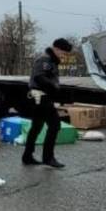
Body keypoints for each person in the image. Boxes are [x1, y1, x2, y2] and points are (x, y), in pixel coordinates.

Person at [22, 38, 74, 169]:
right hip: (41, 97)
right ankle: (48, 157)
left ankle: (27, 156)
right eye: (62, 52)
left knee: (37, 127)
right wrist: (54, 87)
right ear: (56, 49)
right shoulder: (45, 59)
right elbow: (39, 76)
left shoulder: (51, 60)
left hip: (41, 97)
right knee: (55, 125)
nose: (63, 55)